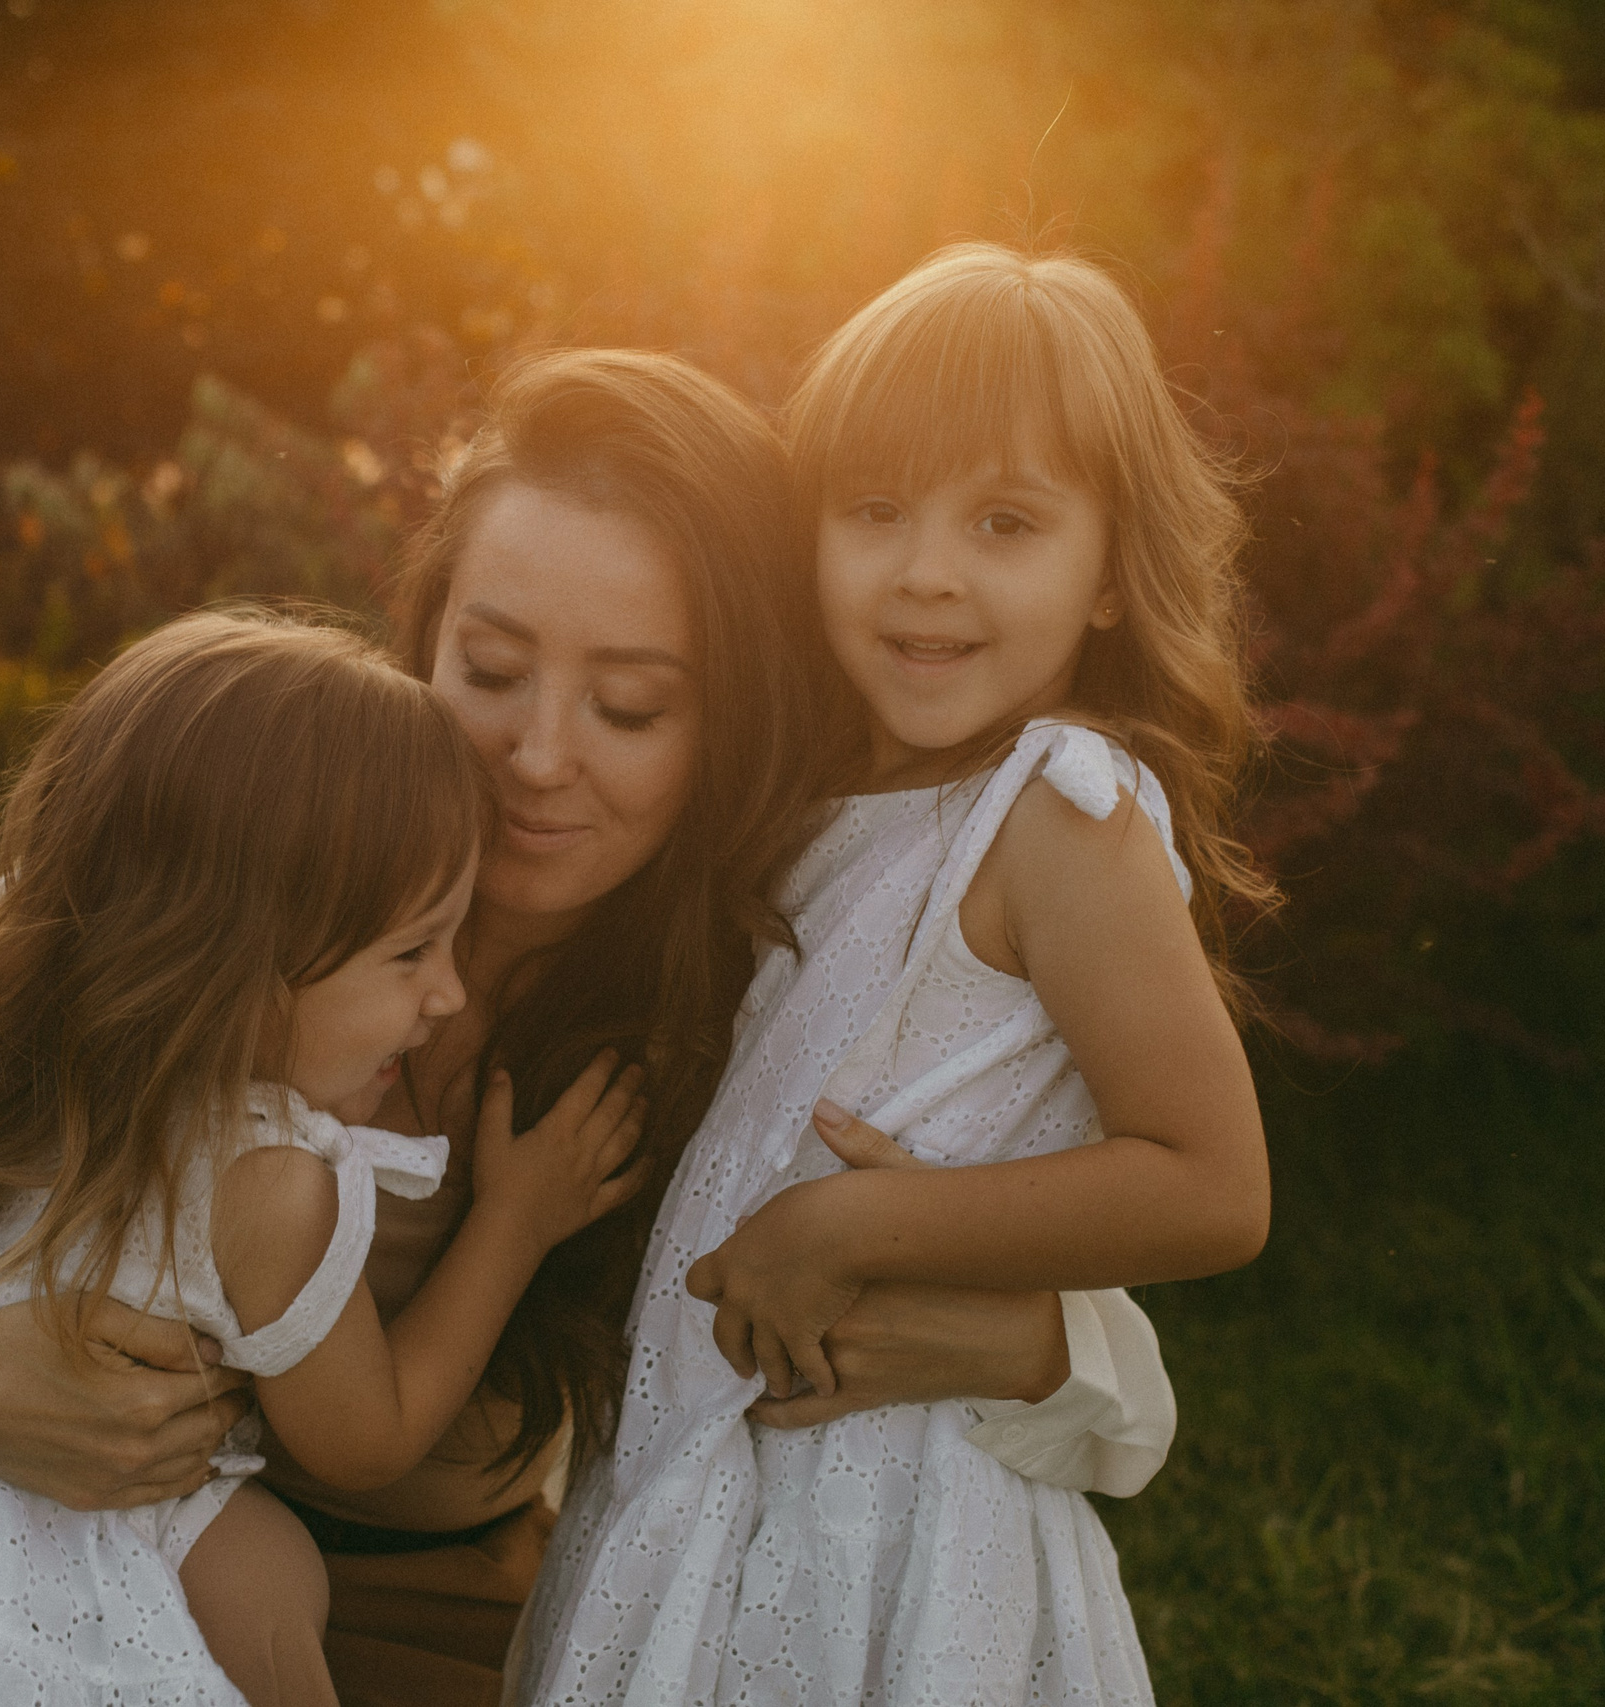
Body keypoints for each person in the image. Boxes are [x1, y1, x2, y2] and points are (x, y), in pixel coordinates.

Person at [0, 349, 1181, 1706]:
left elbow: (1107, 1376)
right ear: (423, 635)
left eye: (632, 706)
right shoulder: (218, 883)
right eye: (490, 670)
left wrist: (1035, 1343)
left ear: (729, 723)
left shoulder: (732, 1000)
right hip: (29, 1525)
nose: (536, 756)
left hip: (420, 1607)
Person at [0, 610, 656, 1705]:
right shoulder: (270, 1175)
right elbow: (366, 1438)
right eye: (415, 951)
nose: (446, 991)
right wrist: (514, 1221)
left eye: (626, 702)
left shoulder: (10, 1007)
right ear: (240, 966)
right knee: (267, 1580)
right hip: (102, 1554)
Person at [515, 244, 1276, 1705]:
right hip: (713, 1471)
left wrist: (854, 1218)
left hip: (899, 1507)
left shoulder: (1057, 809)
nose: (927, 569)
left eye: (1005, 521)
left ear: (1109, 572)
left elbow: (1211, 1183)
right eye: (874, 510)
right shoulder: (806, 800)